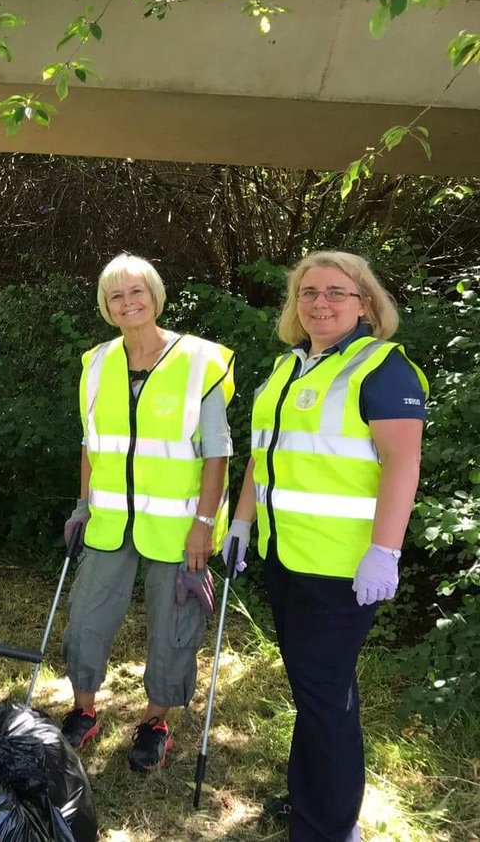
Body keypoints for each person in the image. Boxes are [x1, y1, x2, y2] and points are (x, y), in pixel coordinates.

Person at [221, 250, 426, 842]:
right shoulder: (288, 368)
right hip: (286, 560)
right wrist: (240, 524)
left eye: (336, 292)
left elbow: (402, 462)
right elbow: (265, 458)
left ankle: (330, 828)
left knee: (322, 694)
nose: (320, 303)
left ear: (366, 302)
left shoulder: (383, 368)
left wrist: (384, 550)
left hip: (343, 570)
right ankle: (313, 798)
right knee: (316, 692)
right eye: (308, 293)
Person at [59, 253, 235, 772]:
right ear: (105, 307)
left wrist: (204, 526)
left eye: (137, 292)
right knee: (86, 622)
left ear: (155, 297)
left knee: (173, 627)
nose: (128, 302)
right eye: (116, 295)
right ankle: (83, 711)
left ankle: (156, 720)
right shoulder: (96, 364)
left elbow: (216, 452)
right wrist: (83, 505)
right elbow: (92, 446)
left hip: (180, 530)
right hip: (109, 525)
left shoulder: (198, 361)